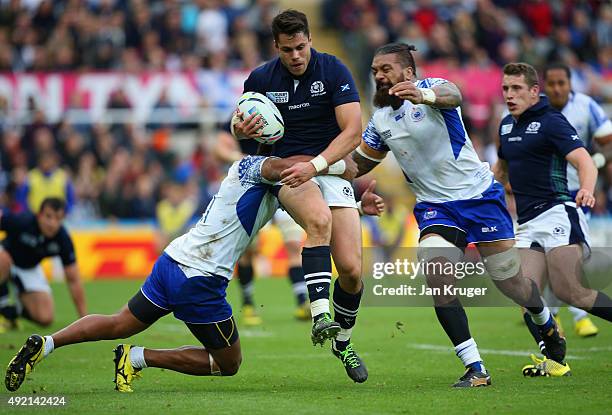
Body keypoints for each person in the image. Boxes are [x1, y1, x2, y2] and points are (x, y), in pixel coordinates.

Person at [5, 155, 383, 393]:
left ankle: (48, 343)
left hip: (174, 260)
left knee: (121, 320)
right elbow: (294, 168)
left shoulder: (261, 178)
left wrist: (352, 206)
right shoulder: (258, 165)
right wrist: (338, 164)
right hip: (200, 279)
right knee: (229, 364)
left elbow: (306, 207)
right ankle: (139, 358)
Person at [351, 43, 565, 387]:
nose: (378, 75)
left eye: (386, 69)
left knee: (510, 282)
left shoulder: (432, 89)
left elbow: (454, 94)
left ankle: (544, 319)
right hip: (436, 207)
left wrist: (425, 98)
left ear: (407, 72)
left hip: (479, 196)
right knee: (435, 272)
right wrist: (319, 168)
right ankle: (475, 367)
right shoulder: (379, 119)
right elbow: (360, 162)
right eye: (375, 70)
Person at [232, 9, 367, 382]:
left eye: (301, 47)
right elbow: (244, 133)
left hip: (328, 168)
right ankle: (320, 314)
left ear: (310, 40)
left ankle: (343, 341)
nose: (296, 56)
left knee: (353, 272)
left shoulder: (333, 69)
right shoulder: (260, 78)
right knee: (318, 220)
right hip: (288, 171)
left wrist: (319, 164)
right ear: (276, 46)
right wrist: (242, 130)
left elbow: (353, 132)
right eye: (288, 49)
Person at [495, 62, 612, 376]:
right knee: (523, 292)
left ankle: (556, 355)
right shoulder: (506, 126)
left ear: (534, 91)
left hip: (558, 212)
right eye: (506, 88)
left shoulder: (551, 122)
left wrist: (587, 189)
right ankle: (556, 359)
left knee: (570, 291)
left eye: (517, 88)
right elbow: (500, 172)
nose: (509, 94)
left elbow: (585, 160)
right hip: (528, 222)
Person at [540, 62, 612, 338]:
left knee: (569, 259)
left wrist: (598, 160)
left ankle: (573, 316)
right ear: (544, 86)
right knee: (553, 260)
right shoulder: (539, 110)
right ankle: (560, 316)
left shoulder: (586, 106)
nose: (557, 88)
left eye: (562, 83)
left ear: (571, 84)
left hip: (579, 192)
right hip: (547, 193)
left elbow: (608, 140)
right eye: (552, 83)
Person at [213, 130, 310, 325]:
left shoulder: (291, 108)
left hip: (286, 180)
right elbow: (219, 147)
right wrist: (243, 160)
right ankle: (248, 303)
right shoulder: (247, 111)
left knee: (293, 245)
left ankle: (302, 302)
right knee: (249, 250)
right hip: (253, 185)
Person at [0, 197, 86, 331]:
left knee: (45, 318)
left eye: (58, 218)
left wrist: (84, 319)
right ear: (39, 215)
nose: (52, 223)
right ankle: (2, 307)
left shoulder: (63, 239)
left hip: (29, 268)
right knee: (2, 259)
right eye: (48, 216)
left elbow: (73, 280)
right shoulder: (23, 221)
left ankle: (11, 313)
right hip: (6, 257)